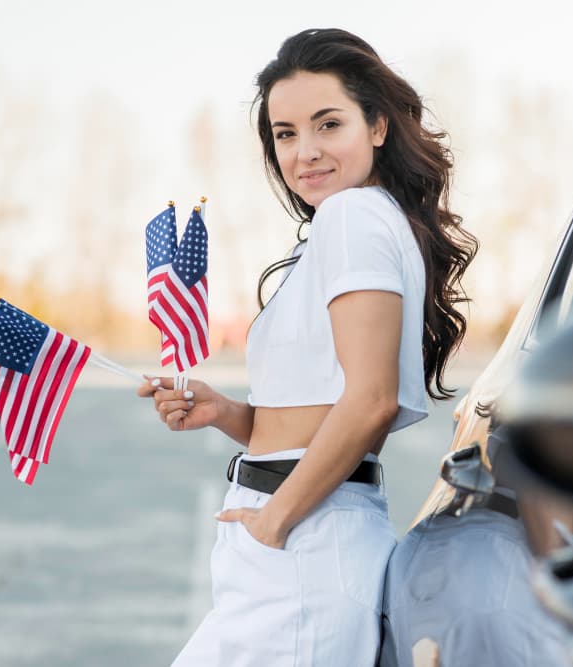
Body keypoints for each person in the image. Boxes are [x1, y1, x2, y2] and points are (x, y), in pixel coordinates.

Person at [137, 28, 477, 666]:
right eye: (285, 133)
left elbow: (372, 400)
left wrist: (275, 522)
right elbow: (320, 406)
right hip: (294, 536)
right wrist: (227, 413)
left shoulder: (352, 218)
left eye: (328, 124)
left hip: (302, 541)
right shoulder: (348, 226)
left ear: (377, 126)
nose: (305, 152)